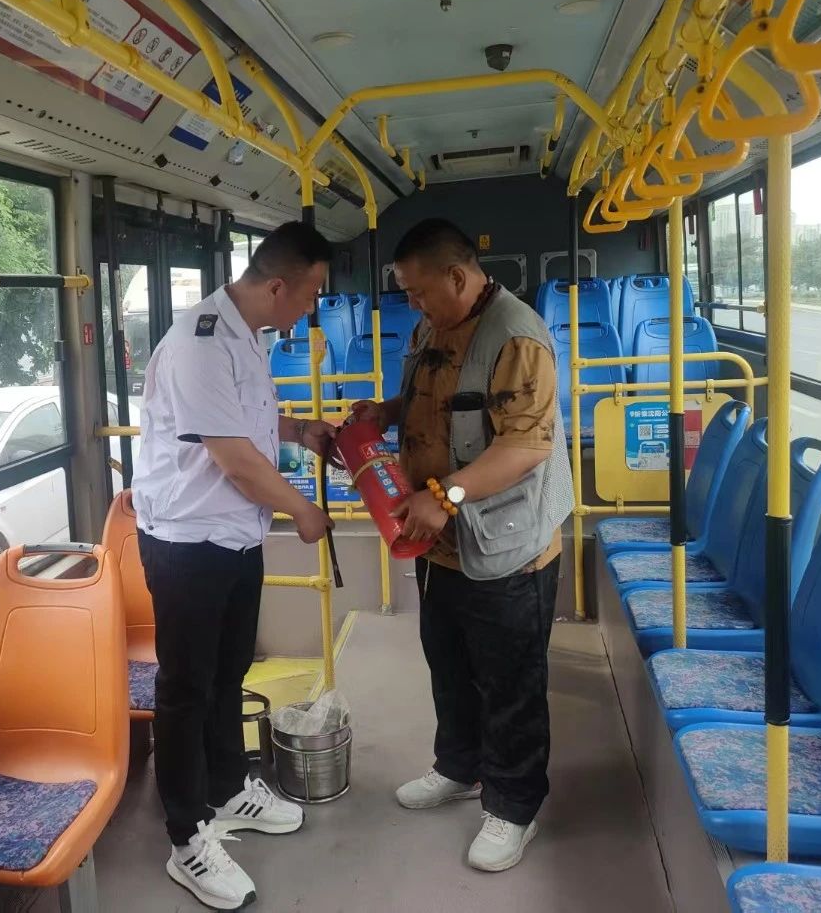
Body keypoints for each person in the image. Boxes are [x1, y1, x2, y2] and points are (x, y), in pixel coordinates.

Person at [352, 217, 573, 873]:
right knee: (448, 661)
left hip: (508, 544)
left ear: (456, 275)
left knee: (510, 681)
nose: (413, 303)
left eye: (418, 291)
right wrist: (387, 412)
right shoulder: (433, 325)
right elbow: (437, 398)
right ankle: (460, 766)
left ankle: (514, 806)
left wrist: (446, 494)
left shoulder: (517, 336)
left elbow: (526, 446)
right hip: (442, 541)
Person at [132, 220, 338, 910]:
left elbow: (246, 420)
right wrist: (303, 510)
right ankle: (186, 836)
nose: (312, 307)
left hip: (235, 537)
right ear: (278, 286)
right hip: (188, 542)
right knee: (186, 688)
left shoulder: (249, 335)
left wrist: (299, 429)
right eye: (310, 293)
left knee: (227, 675)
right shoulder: (200, 341)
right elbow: (237, 459)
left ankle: (226, 789)